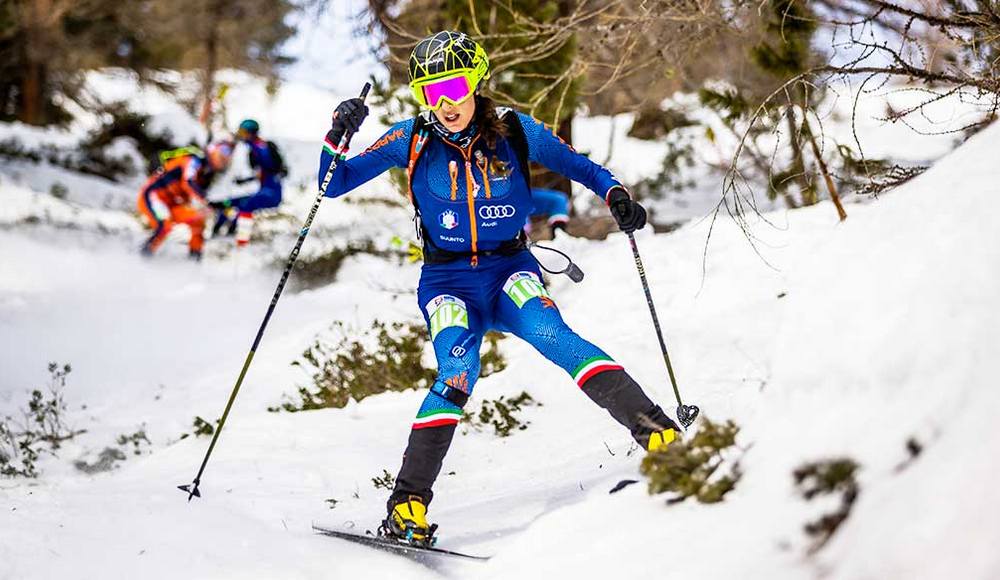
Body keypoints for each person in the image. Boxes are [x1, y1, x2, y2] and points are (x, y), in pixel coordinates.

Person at [319, 31, 680, 545]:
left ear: (476, 83)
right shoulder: (411, 138)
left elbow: (579, 166)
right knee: (459, 371)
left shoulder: (515, 129)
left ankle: (659, 432)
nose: (445, 104)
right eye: (431, 92)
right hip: (447, 282)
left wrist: (616, 193)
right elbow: (333, 183)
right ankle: (406, 506)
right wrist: (338, 132)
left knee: (556, 337)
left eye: (456, 87)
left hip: (510, 270)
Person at [137, 140, 232, 260]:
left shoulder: (208, 175)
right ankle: (142, 258)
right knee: (164, 225)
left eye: (229, 153)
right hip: (154, 196)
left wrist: (219, 204)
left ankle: (194, 261)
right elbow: (188, 182)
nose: (226, 156)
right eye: (223, 150)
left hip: (173, 204)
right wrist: (207, 201)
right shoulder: (194, 160)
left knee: (198, 221)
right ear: (212, 150)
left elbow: (208, 196)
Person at [211, 119, 286, 246]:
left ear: (251, 133)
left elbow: (274, 168)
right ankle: (217, 232)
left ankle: (241, 239)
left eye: (244, 132)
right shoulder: (252, 148)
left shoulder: (263, 147)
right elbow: (258, 171)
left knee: (246, 205)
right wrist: (245, 180)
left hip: (272, 193)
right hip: (262, 189)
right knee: (229, 202)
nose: (241, 135)